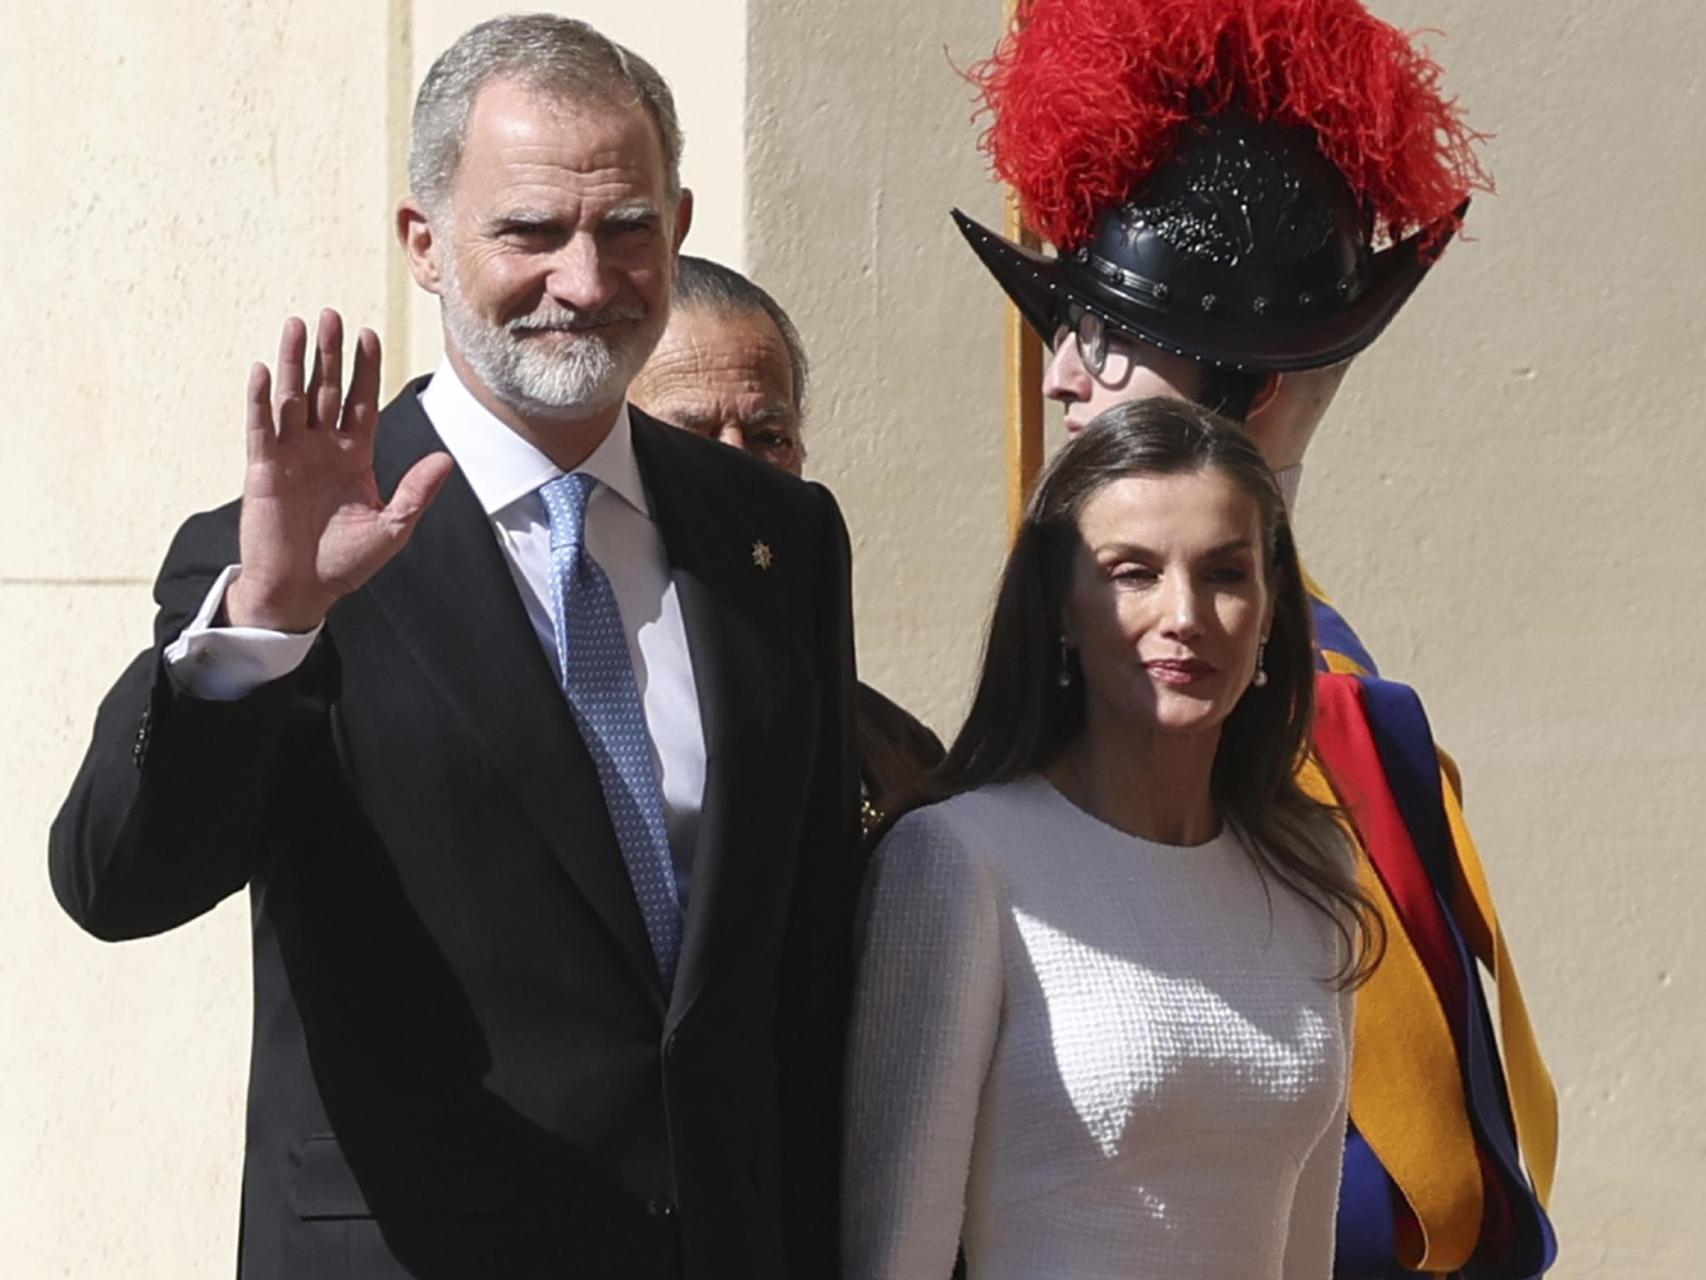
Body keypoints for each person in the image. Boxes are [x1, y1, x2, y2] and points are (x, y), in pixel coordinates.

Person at [48, 14, 857, 1279]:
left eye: (627, 227)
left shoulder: (776, 535)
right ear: (425, 243)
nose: (584, 280)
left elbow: (802, 962)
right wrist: (267, 624)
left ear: (680, 221)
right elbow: (118, 881)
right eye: (530, 232)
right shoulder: (294, 547)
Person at [950, 1, 1557, 1275]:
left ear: (1251, 388)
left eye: (1104, 340)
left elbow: (1428, 1203)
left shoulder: (1335, 720)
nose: (1060, 374)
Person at [844, 397, 1373, 1279]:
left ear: (1273, 607)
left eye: (1225, 573)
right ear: (1059, 610)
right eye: (1133, 572)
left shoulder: (1313, 864)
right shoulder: (961, 860)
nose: (1185, 615)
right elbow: (896, 1251)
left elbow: (1306, 1243)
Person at [632, 254, 945, 826]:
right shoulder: (574, 707)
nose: (736, 468)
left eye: (768, 438)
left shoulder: (894, 750)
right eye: (691, 435)